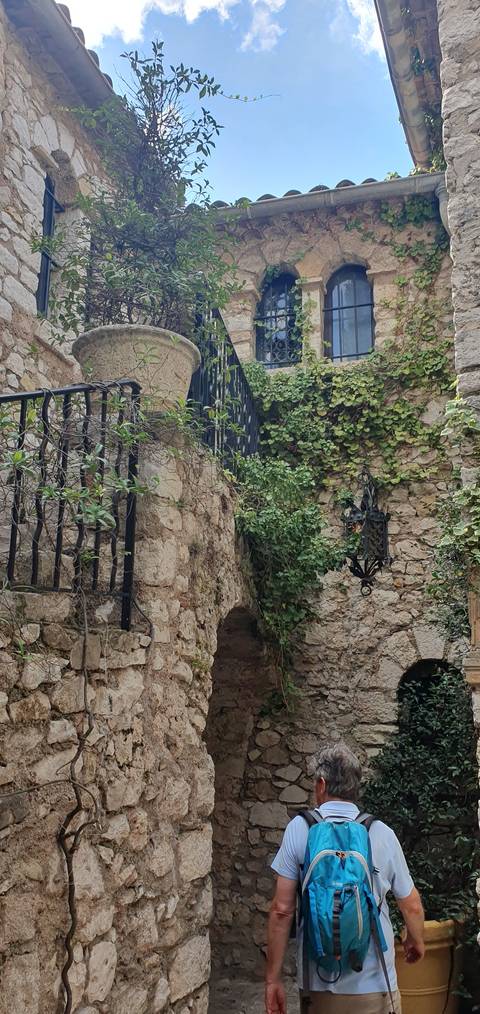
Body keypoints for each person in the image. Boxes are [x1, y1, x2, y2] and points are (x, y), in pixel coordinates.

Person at [265, 742, 425, 1014]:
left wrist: (272, 978)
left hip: (319, 985)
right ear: (355, 787)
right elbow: (410, 903)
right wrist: (415, 940)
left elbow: (282, 910)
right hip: (375, 983)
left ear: (322, 785)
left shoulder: (300, 829)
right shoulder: (381, 833)